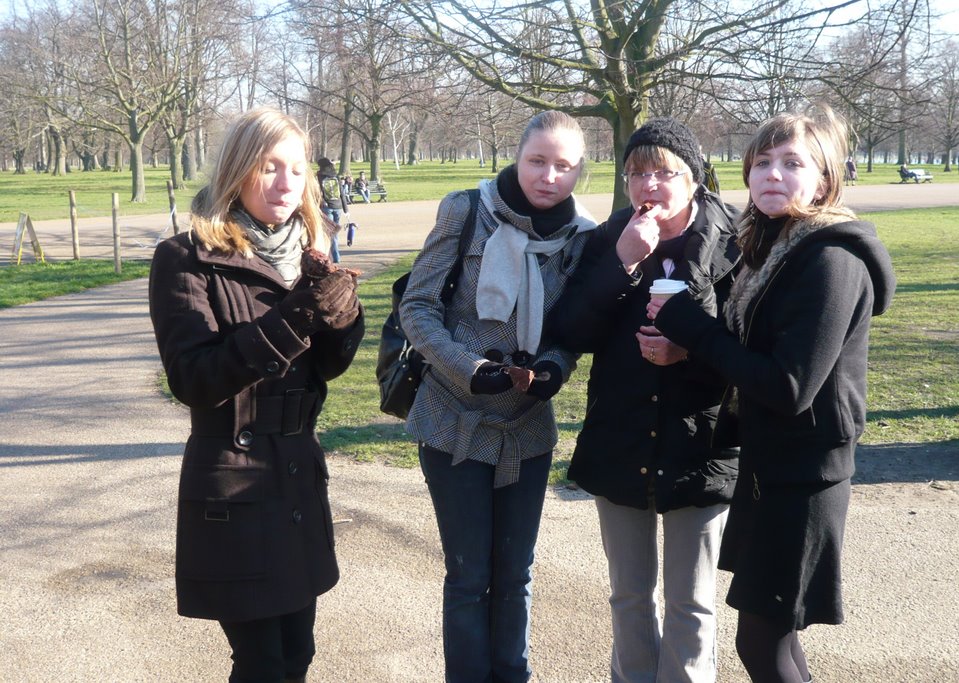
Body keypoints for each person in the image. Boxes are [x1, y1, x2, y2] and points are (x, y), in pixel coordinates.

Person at [649, 108, 896, 683]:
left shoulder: (831, 261)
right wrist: (692, 344)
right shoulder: (775, 249)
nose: (772, 175)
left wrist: (694, 328)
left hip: (804, 478)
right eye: (762, 162)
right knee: (771, 642)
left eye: (792, 163)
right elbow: (754, 355)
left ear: (826, 177)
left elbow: (789, 387)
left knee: (762, 645)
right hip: (771, 468)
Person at [148, 107, 365, 683]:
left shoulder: (310, 253)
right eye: (270, 167)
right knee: (263, 663)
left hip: (295, 474)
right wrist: (297, 315)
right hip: (232, 481)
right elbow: (193, 379)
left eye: (297, 169)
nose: (286, 183)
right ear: (239, 170)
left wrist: (342, 321)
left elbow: (327, 368)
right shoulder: (185, 257)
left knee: (297, 654)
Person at [399, 110, 598, 683]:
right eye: (538, 160)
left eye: (563, 165)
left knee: (515, 575)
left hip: (527, 430)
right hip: (452, 422)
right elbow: (417, 307)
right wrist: (471, 369)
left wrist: (556, 366)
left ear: (578, 170)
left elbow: (571, 329)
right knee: (468, 575)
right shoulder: (466, 210)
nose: (548, 176)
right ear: (518, 156)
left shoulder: (582, 238)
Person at [550, 118, 742, 683]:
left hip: (700, 441)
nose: (649, 185)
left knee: (693, 603)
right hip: (622, 435)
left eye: (664, 172)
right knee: (630, 597)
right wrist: (624, 262)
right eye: (637, 173)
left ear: (695, 178)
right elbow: (571, 330)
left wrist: (691, 353)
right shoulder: (607, 238)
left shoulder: (736, 241)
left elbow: (752, 343)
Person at [316, 157, 348, 263]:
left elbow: (318, 192)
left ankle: (332, 255)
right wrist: (346, 209)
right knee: (334, 232)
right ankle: (335, 255)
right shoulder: (336, 176)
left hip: (327, 206)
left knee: (329, 232)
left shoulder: (320, 176)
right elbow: (342, 193)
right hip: (338, 205)